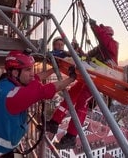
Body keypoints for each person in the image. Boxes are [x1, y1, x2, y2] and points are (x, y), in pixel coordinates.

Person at [0, 49, 77, 157]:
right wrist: (71, 78)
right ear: (15, 72)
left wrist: (53, 69)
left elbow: (35, 78)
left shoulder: (5, 83)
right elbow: (46, 90)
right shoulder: (14, 96)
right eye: (28, 70)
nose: (32, 74)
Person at [47, 19, 119, 149]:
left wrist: (94, 26)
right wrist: (77, 49)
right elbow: (86, 57)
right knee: (71, 94)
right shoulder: (100, 49)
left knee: (81, 101)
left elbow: (104, 40)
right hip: (91, 77)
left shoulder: (112, 45)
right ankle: (54, 121)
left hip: (101, 80)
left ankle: (71, 137)